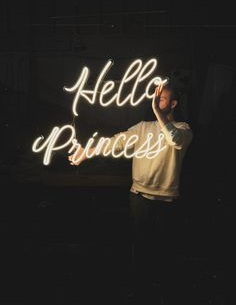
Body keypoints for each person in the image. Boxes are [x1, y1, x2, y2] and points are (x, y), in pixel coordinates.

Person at [68, 83, 193, 298]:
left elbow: (174, 139)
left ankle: (164, 292)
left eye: (161, 99)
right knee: (139, 245)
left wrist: (156, 112)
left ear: (173, 104)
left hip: (167, 200)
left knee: (164, 249)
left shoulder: (184, 129)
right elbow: (116, 142)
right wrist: (87, 152)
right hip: (139, 196)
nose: (155, 101)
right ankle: (139, 290)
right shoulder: (143, 128)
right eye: (155, 98)